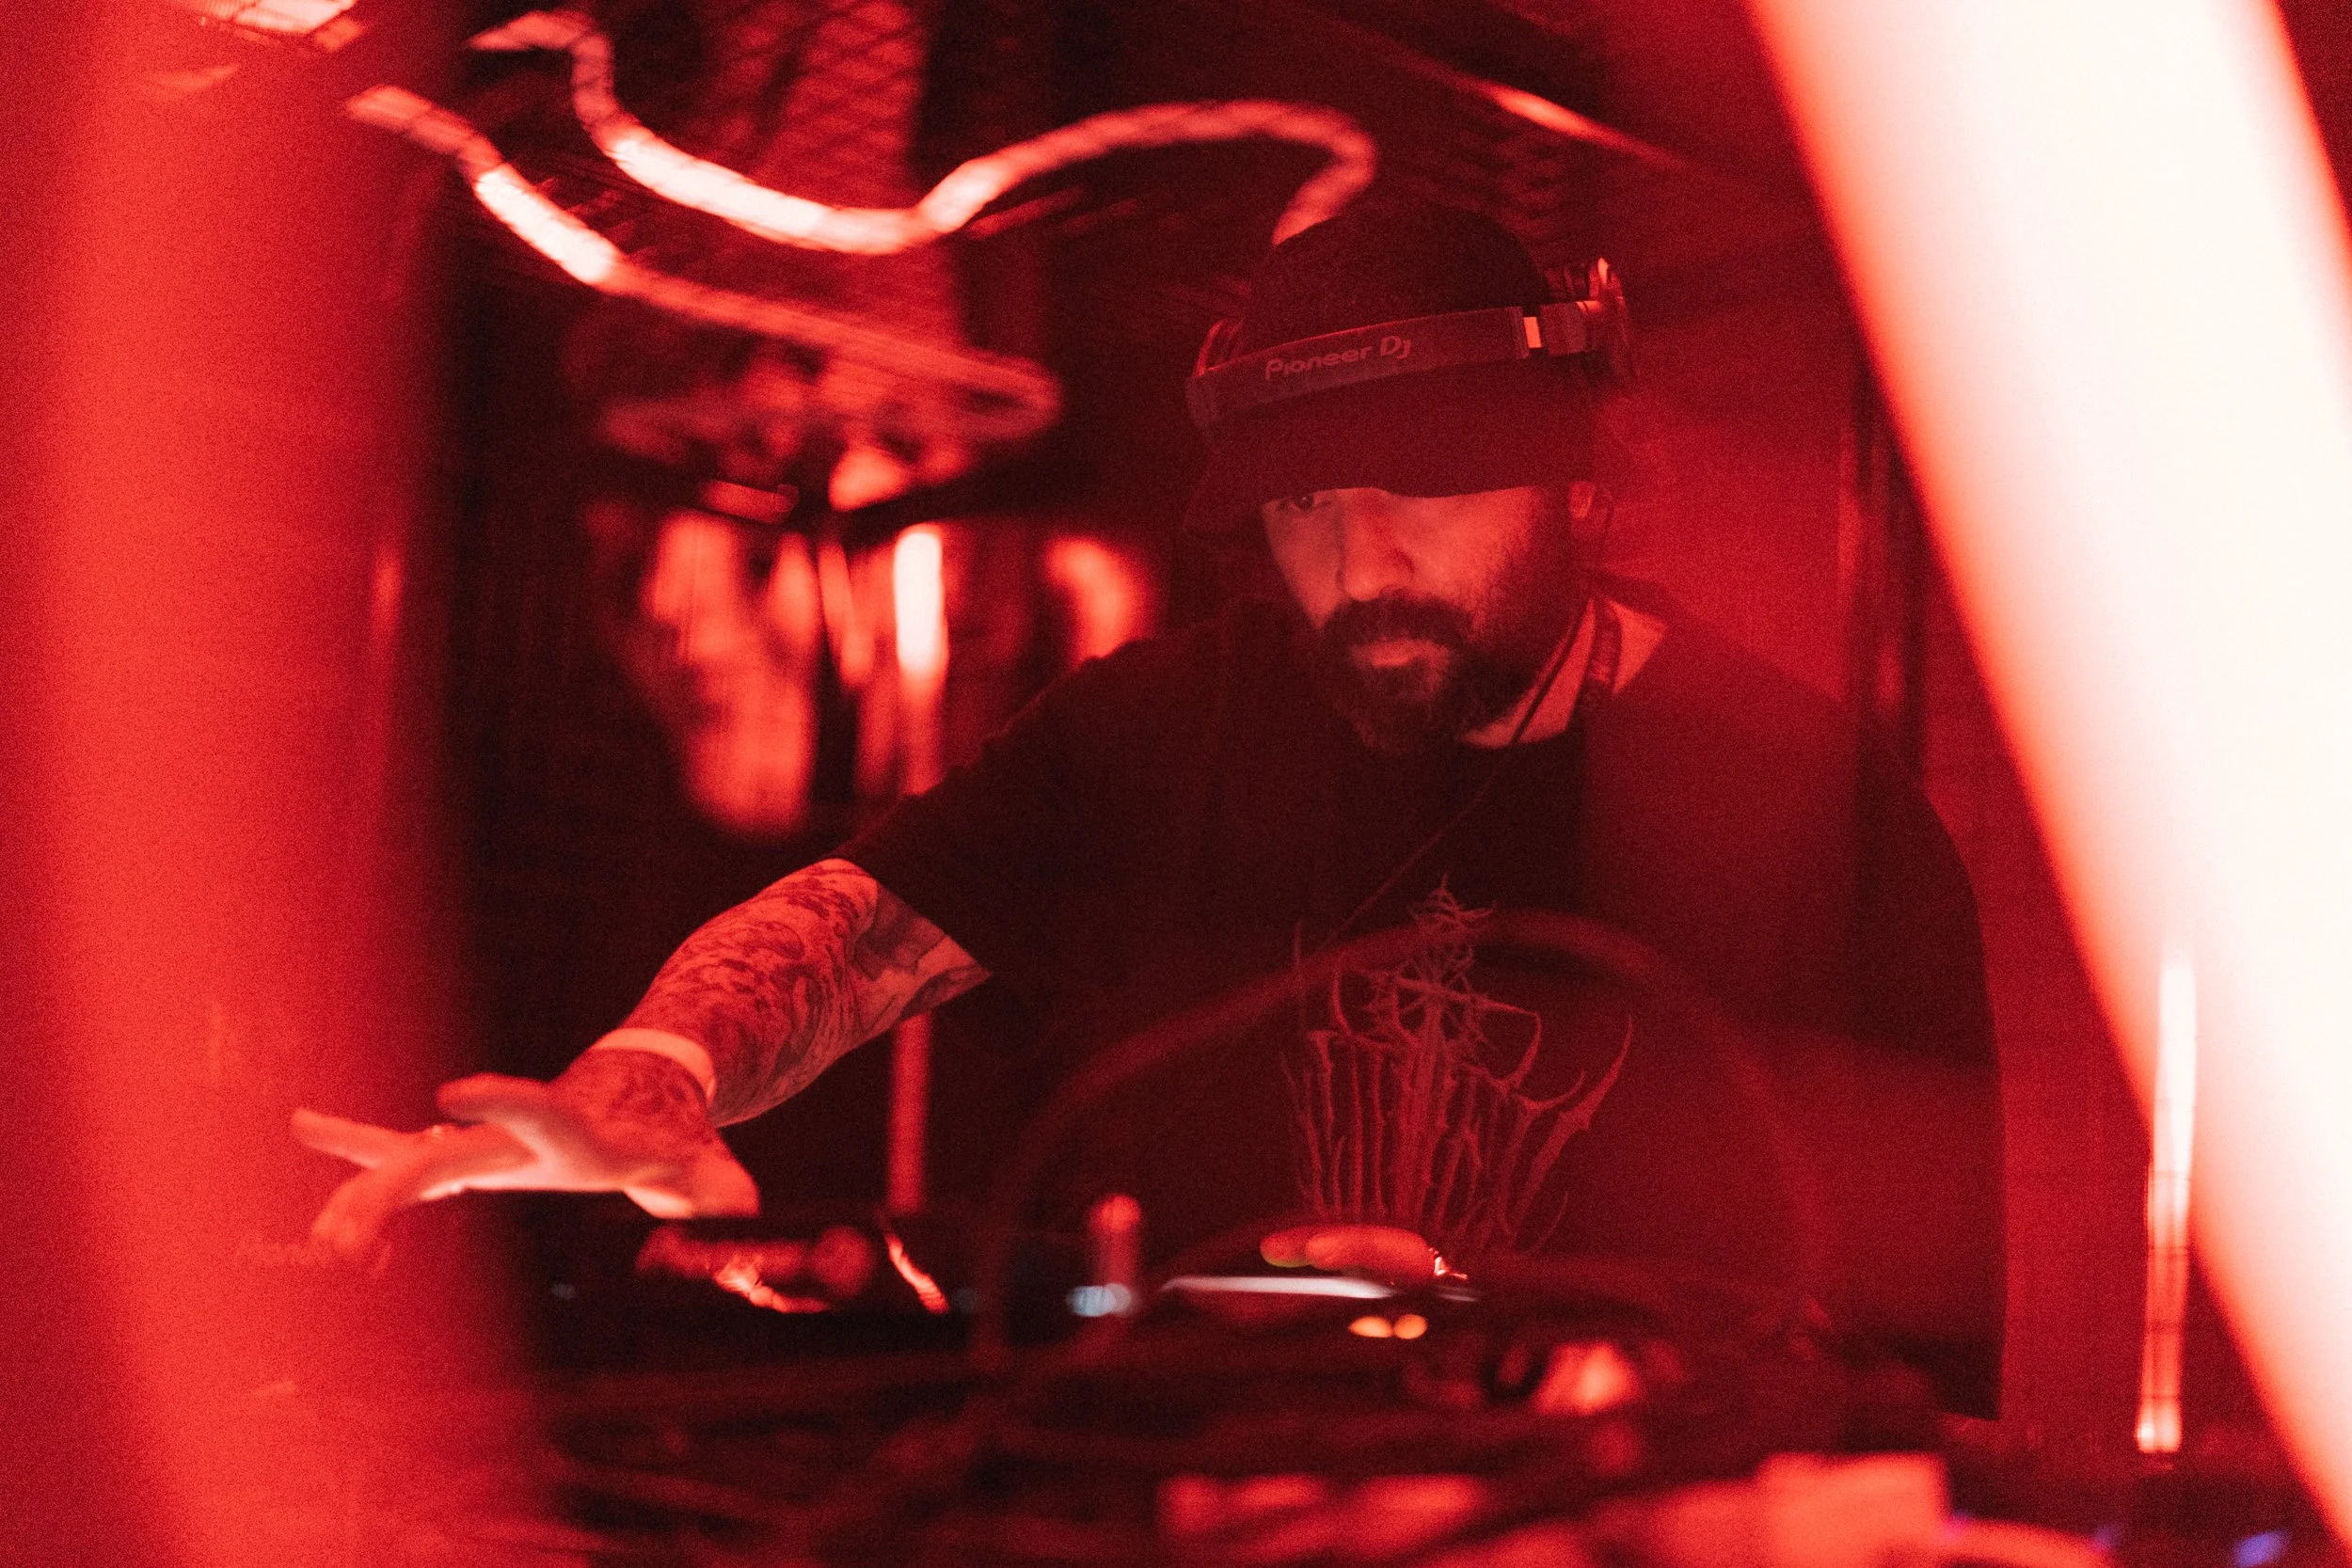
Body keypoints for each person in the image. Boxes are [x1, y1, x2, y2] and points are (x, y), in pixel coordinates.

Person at [295, 201, 2003, 1412]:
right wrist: (655, 1075)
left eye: (1427, 488)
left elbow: (1910, 1393)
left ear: (1577, 478)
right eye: (1310, 504)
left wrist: (1507, 1335)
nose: (1365, 565)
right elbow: (869, 923)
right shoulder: (1166, 723)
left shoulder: (1812, 817)